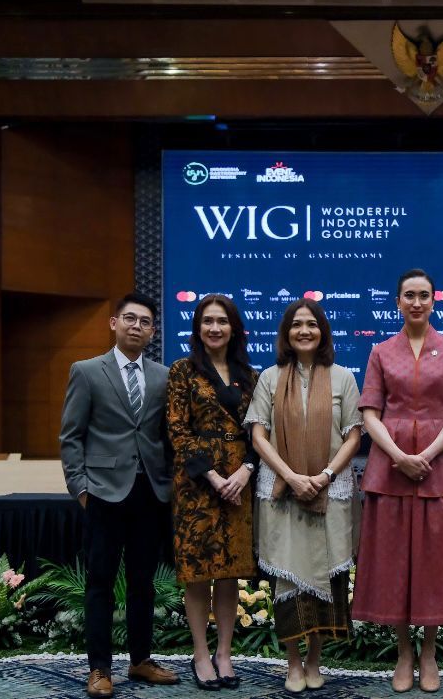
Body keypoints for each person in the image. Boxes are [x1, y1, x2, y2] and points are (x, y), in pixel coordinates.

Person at [351, 268, 443, 693]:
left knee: (435, 566)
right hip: (390, 469)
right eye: (409, 295)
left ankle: (429, 652)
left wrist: (424, 455)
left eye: (424, 295)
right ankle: (403, 652)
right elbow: (370, 412)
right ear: (398, 301)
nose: (417, 302)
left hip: (439, 469)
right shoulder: (381, 352)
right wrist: (398, 456)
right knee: (393, 564)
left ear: (434, 300)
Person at [59, 293, 179, 699]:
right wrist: (80, 488)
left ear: (152, 331)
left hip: (150, 493)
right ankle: (99, 669)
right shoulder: (87, 371)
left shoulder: (164, 376)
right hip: (104, 494)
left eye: (145, 322)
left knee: (143, 581)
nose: (136, 326)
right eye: (129, 319)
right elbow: (71, 436)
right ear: (114, 323)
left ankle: (141, 660)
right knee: (100, 582)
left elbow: (166, 436)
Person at [245, 298, 363, 693]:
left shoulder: (344, 377)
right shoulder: (270, 378)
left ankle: (315, 661)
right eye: (297, 325)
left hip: (331, 491)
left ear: (322, 332)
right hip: (282, 491)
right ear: (287, 333)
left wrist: (325, 475)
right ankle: (293, 665)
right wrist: (292, 477)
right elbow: (258, 435)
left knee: (327, 574)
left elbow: (353, 436)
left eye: (311, 325)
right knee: (289, 579)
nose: (304, 331)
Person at [166, 293, 260, 691]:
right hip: (196, 486)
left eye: (222, 321)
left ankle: (225, 653)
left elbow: (259, 432)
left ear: (234, 328)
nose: (215, 328)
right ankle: (201, 654)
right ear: (198, 328)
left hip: (240, 482)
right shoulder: (183, 371)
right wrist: (213, 477)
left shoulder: (250, 375)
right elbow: (177, 430)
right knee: (198, 574)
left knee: (229, 575)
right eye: (208, 321)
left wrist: (244, 471)